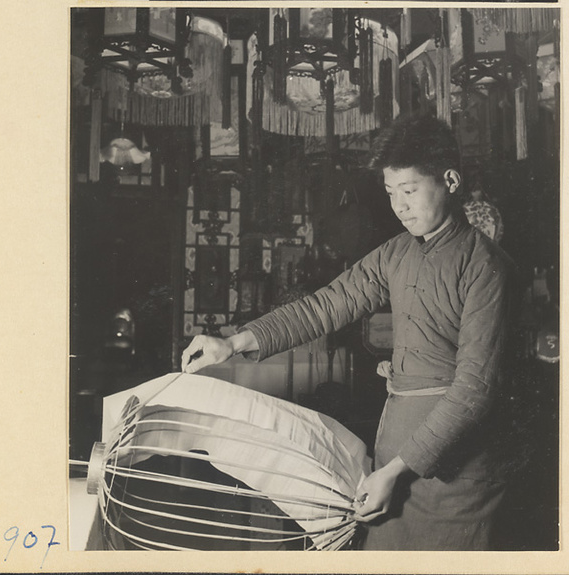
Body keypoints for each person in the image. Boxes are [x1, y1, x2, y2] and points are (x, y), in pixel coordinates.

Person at [181, 114, 516, 551]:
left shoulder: (487, 267)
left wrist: (395, 472)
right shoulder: (395, 253)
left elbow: (474, 391)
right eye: (391, 193)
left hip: (454, 469)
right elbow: (325, 306)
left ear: (450, 181)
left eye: (410, 191)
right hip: (393, 447)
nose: (400, 206)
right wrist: (233, 341)